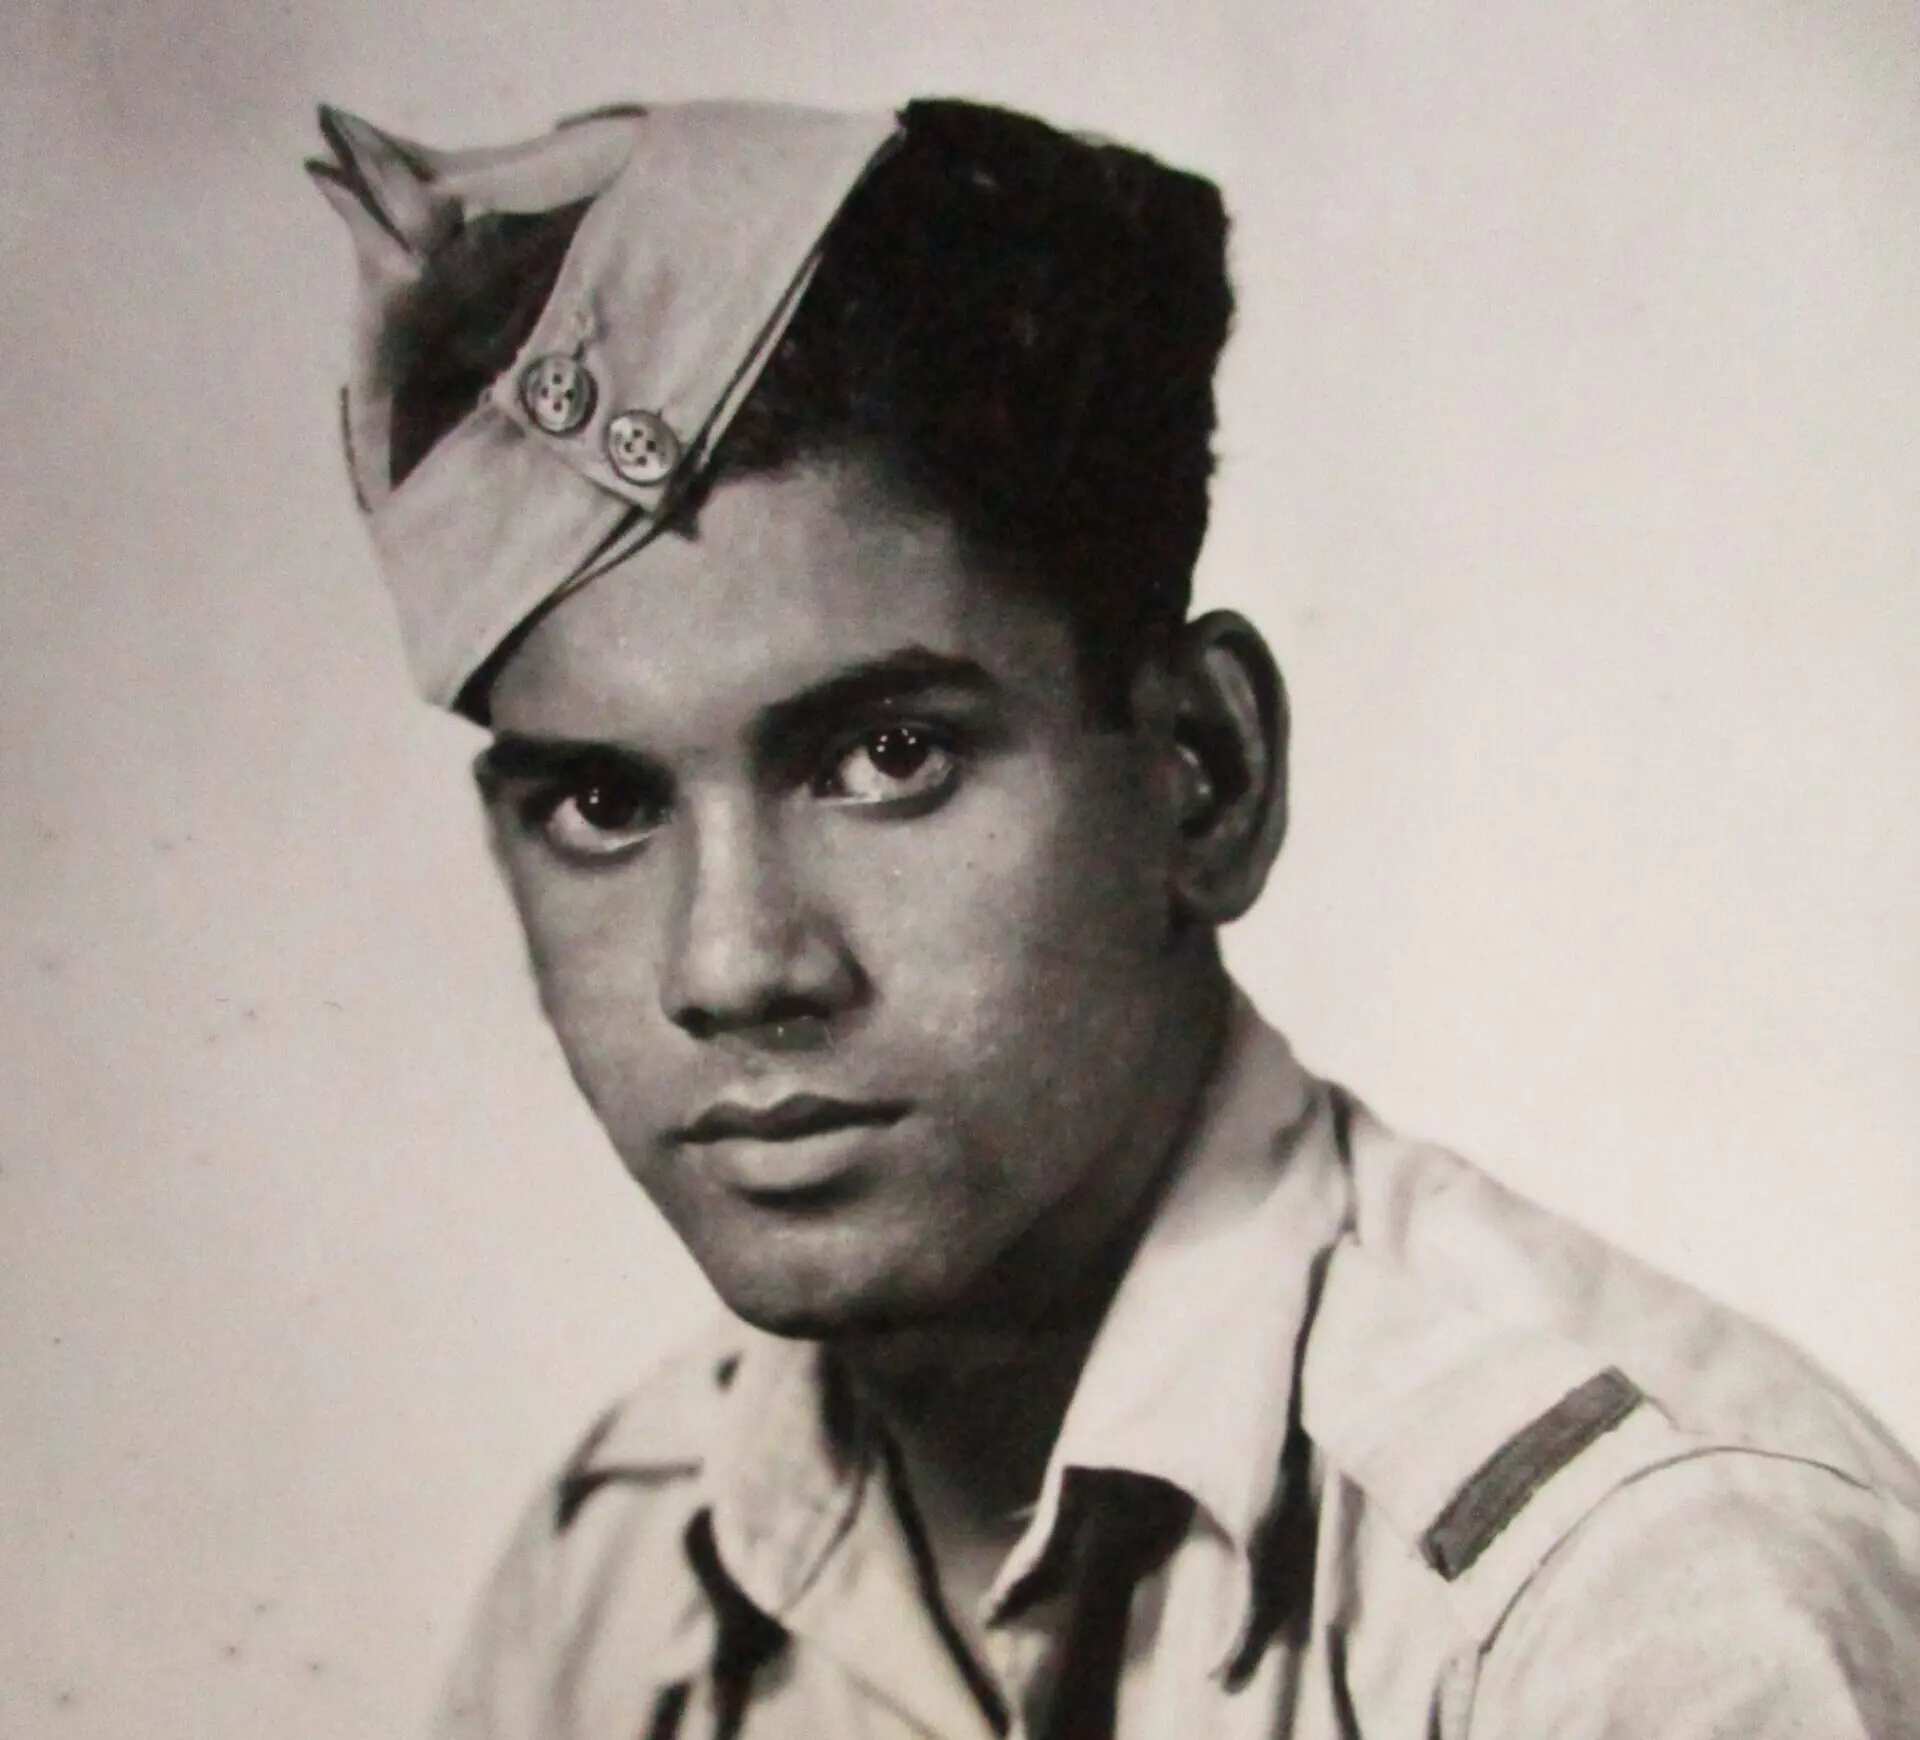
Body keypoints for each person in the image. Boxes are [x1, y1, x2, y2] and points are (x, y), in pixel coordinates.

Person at [308, 96, 1920, 1740]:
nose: (730, 966)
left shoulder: (1633, 1607)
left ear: (1203, 773)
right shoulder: (620, 1571)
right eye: (605, 804)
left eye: (888, 757)